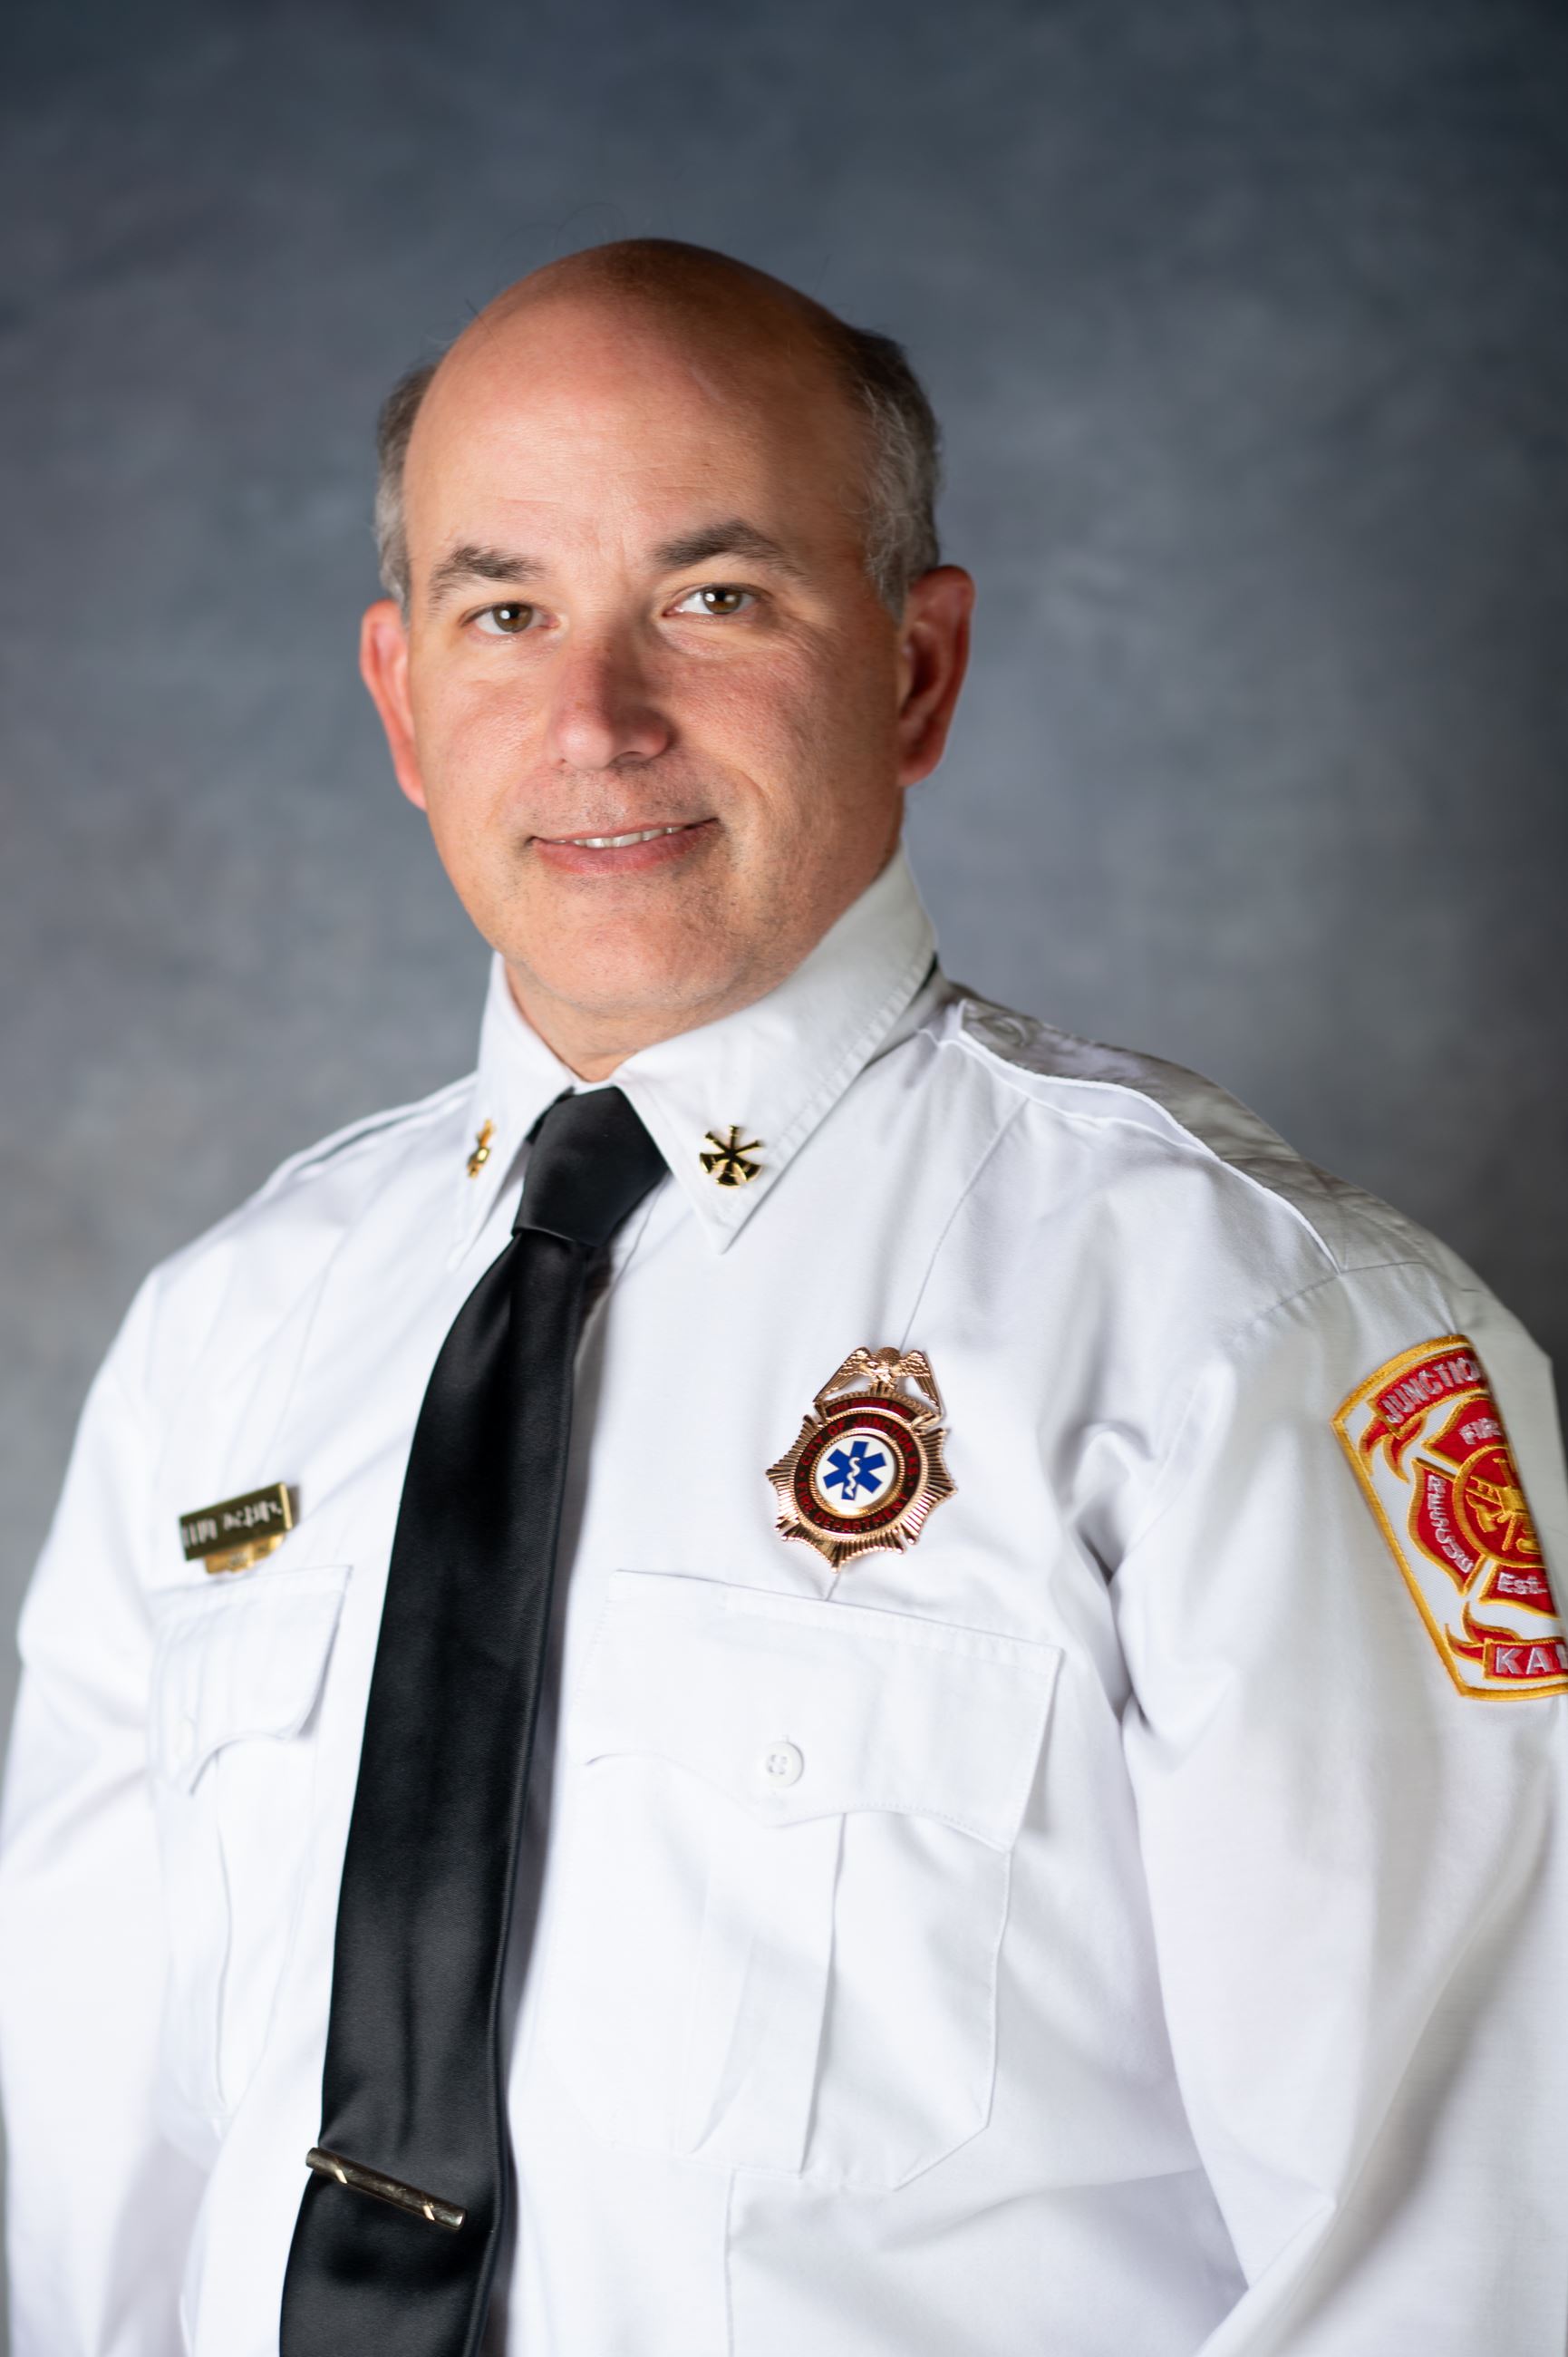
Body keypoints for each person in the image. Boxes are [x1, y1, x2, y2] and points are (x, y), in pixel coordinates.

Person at [1, 238, 1563, 2357]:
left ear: (917, 671)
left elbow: (1457, 2263)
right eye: (503, 611)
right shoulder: (225, 1349)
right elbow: (83, 2210)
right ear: (398, 700)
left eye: (715, 599)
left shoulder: (1246, 1334)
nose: (594, 718)